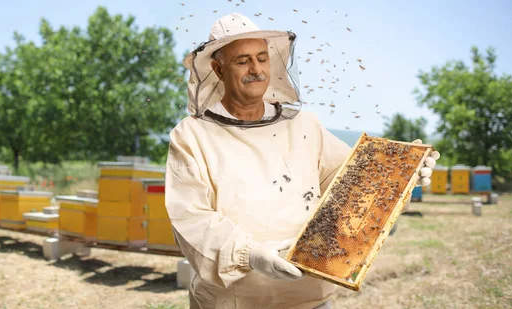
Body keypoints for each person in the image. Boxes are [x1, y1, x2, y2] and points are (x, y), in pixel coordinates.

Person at [165, 13, 439, 309]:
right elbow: (191, 218)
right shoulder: (191, 135)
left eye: (261, 58)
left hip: (311, 300)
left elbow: (354, 192)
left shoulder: (306, 126)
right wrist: (250, 254)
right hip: (233, 303)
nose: (256, 69)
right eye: (243, 61)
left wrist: (400, 178)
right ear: (218, 69)